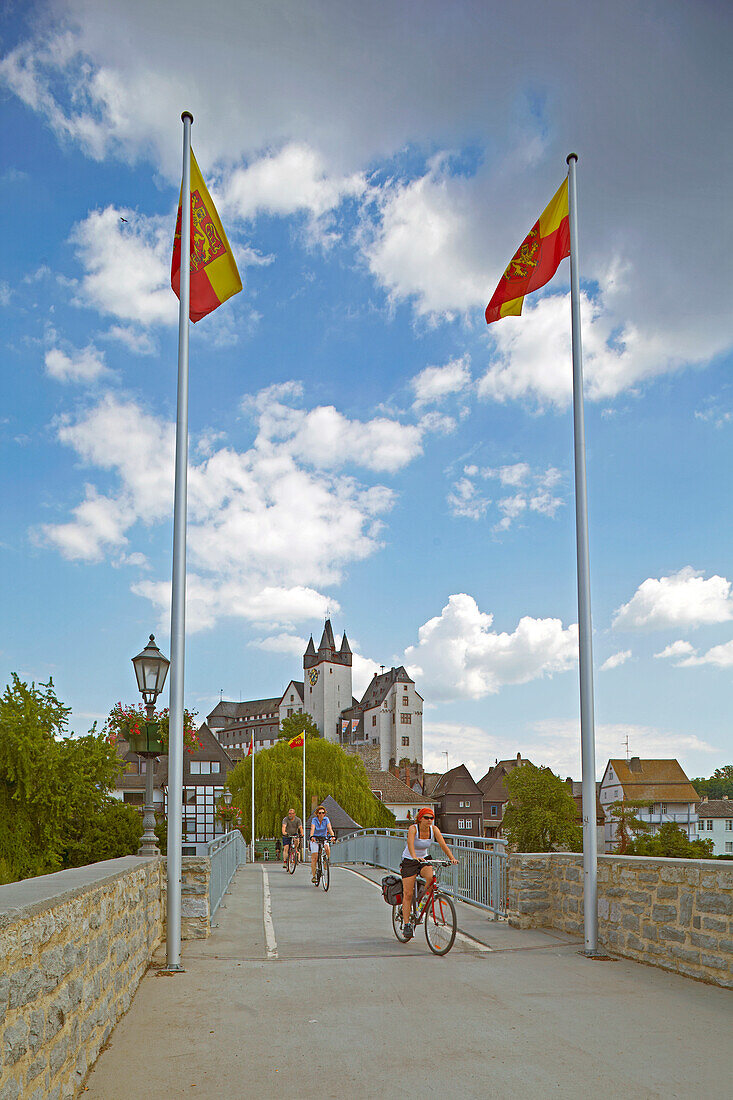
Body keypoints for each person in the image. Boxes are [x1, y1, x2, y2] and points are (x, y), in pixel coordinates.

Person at [399, 808, 458, 940]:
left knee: (431, 880)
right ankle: (407, 923)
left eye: (431, 818)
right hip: (410, 860)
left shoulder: (434, 829)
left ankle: (422, 902)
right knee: (408, 893)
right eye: (426, 818)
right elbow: (410, 844)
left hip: (424, 859)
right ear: (420, 819)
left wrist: (451, 857)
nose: (429, 820)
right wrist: (414, 857)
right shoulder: (413, 829)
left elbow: (443, 844)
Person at [310, 805, 336, 884]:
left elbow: (329, 828)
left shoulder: (326, 819)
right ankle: (314, 876)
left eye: (323, 813)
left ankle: (326, 861)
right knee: (314, 857)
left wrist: (333, 836)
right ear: (317, 814)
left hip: (323, 837)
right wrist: (312, 836)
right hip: (315, 838)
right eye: (320, 813)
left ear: (325, 814)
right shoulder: (314, 820)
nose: (321, 814)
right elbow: (312, 829)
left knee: (327, 847)